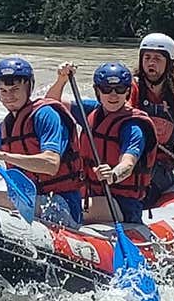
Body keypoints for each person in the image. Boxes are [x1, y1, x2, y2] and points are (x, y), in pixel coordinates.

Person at [0, 57, 85, 223]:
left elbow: (51, 164)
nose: (9, 96)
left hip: (60, 204)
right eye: (3, 91)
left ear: (28, 88)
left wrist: (2, 155)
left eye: (15, 89)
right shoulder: (7, 125)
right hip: (29, 199)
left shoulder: (46, 114)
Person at [46, 62, 158, 223]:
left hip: (122, 205)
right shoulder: (91, 111)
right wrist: (62, 80)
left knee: (57, 209)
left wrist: (113, 175)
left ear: (127, 92)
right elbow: (50, 103)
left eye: (119, 90)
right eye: (106, 89)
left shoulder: (134, 126)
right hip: (91, 195)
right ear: (98, 91)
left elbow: (128, 163)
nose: (113, 95)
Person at [134, 32, 174, 202]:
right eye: (147, 58)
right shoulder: (130, 89)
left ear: (169, 63)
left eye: (157, 59)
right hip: (132, 158)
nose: (151, 63)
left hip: (161, 166)